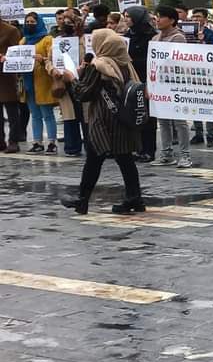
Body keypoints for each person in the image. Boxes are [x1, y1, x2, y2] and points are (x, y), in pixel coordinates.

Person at [57, 30, 144, 215]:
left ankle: (82, 200)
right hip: (122, 118)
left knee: (94, 159)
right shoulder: (125, 63)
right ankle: (135, 198)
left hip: (104, 122)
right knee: (125, 159)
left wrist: (72, 78)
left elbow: (83, 93)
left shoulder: (99, 65)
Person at [148, 6, 192, 169]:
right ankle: (166, 153)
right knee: (163, 120)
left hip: (175, 84)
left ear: (172, 20)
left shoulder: (178, 38)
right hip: (159, 84)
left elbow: (177, 61)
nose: (157, 20)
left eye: (161, 17)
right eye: (157, 17)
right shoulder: (155, 39)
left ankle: (185, 155)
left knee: (179, 121)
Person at [45, 12, 88, 156]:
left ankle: (91, 146)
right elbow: (48, 60)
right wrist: (53, 70)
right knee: (70, 117)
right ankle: (72, 147)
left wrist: (82, 68)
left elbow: (90, 58)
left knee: (85, 116)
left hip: (82, 82)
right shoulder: (57, 41)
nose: (67, 24)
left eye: (71, 22)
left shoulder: (84, 40)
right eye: (65, 21)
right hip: (64, 84)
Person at [18, 12, 58, 154]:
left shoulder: (47, 39)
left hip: (43, 81)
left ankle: (52, 142)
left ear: (38, 22)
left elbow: (52, 57)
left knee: (47, 113)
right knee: (34, 114)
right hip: (28, 82)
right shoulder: (23, 41)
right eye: (27, 22)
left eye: (32, 22)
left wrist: (43, 59)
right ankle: (37, 142)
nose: (29, 24)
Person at [125, 6, 158, 162]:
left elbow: (151, 59)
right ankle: (137, 148)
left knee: (147, 118)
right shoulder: (127, 35)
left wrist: (132, 61)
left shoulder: (150, 36)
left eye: (128, 16)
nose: (125, 19)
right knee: (134, 115)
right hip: (131, 81)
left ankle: (149, 150)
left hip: (146, 80)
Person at [190, 8, 213, 147]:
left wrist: (202, 42)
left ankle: (210, 135)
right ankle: (198, 133)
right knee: (195, 103)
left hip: (207, 75)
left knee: (208, 104)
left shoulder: (210, 34)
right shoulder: (187, 33)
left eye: (198, 17)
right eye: (193, 17)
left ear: (205, 19)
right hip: (191, 74)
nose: (195, 19)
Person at [0, 18, 22, 152]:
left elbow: (17, 53)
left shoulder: (10, 30)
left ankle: (14, 141)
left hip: (7, 76)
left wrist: (5, 57)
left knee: (12, 111)